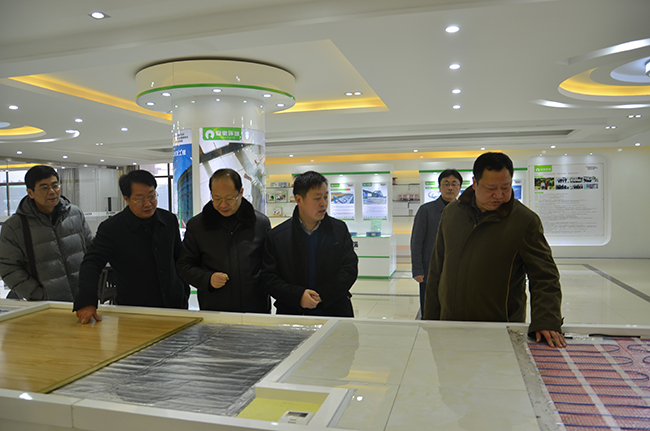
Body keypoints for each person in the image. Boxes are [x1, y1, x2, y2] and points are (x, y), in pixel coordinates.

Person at [423, 152, 566, 348]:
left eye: (505, 187)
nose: (499, 195)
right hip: (449, 325)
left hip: (500, 330)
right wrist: (430, 319)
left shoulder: (524, 221)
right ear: (475, 183)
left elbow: (544, 275)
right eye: (491, 188)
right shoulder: (452, 213)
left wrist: (547, 320)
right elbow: (437, 268)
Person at [74, 170, 189, 323]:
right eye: (140, 199)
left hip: (175, 306)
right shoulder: (112, 228)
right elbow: (91, 263)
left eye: (152, 196)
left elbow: (179, 258)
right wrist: (87, 301)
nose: (148, 204)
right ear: (126, 199)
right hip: (134, 310)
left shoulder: (168, 220)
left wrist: (184, 290)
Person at [261, 171, 358, 317]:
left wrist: (323, 295)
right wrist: (298, 296)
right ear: (299, 200)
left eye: (326, 197)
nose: (323, 203)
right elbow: (269, 278)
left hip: (335, 311)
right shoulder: (278, 237)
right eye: (317, 198)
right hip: (293, 315)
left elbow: (349, 270)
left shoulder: (339, 230)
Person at [176, 169, 271, 313]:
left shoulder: (260, 224)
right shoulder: (197, 226)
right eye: (217, 198)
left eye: (229, 198)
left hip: (255, 309)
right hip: (214, 309)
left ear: (241, 192)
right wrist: (208, 279)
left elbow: (270, 266)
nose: (223, 204)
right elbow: (184, 265)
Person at [0, 165, 93, 301]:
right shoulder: (15, 226)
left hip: (83, 298)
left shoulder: (74, 214)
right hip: (45, 304)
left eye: (55, 185)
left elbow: (90, 250)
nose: (52, 191)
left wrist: (90, 283)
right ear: (30, 193)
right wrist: (38, 294)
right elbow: (8, 268)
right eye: (44, 187)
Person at [410, 169, 462, 318]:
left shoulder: (465, 211)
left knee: (453, 309)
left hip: (456, 270)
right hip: (430, 270)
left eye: (454, 184)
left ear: (459, 187)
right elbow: (416, 241)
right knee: (430, 309)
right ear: (439, 187)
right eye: (446, 184)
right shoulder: (426, 210)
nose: (450, 188)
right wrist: (418, 269)